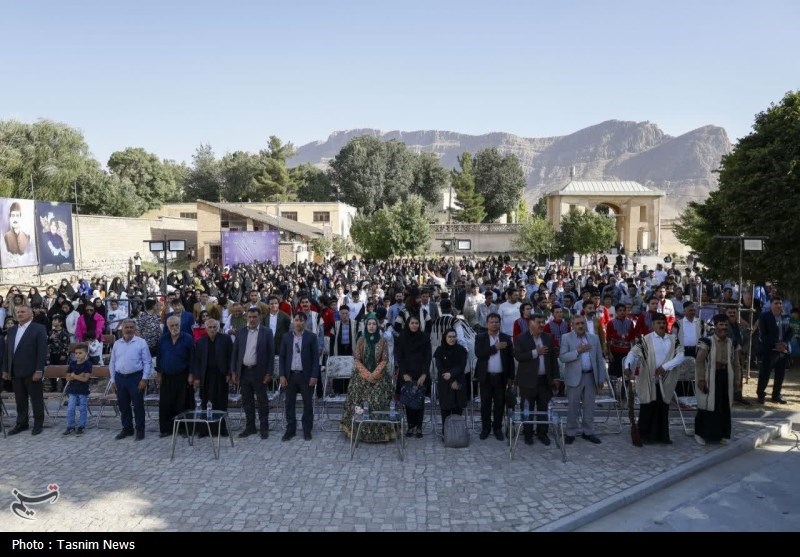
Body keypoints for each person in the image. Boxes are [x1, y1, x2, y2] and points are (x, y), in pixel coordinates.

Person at [625, 313, 684, 445]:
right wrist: (627, 367)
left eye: (663, 323)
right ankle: (645, 436)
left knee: (663, 406)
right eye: (658, 323)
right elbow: (633, 353)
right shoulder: (645, 340)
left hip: (666, 377)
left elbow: (680, 356)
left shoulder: (673, 340)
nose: (661, 325)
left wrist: (665, 367)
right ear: (653, 325)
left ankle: (662, 436)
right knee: (648, 405)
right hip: (649, 378)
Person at [340, 316, 395, 442]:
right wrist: (366, 374)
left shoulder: (382, 341)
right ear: (366, 326)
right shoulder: (361, 340)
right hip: (361, 377)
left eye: (373, 324)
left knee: (378, 400)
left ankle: (381, 433)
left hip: (379, 377)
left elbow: (384, 360)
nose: (371, 326)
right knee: (359, 401)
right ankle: (358, 431)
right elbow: (357, 359)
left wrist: (374, 374)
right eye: (369, 324)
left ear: (377, 326)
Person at [559, 313, 607, 445]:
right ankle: (570, 432)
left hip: (591, 376)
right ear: (572, 326)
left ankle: (588, 432)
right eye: (577, 324)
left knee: (589, 406)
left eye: (582, 323)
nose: (580, 326)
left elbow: (599, 360)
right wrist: (577, 351)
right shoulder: (566, 338)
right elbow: (562, 357)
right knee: (573, 406)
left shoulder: (594, 338)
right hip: (574, 377)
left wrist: (600, 378)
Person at [694, 314, 741, 446]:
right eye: (721, 325)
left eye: (726, 325)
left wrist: (737, 381)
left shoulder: (732, 343)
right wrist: (701, 379)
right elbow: (699, 362)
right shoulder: (707, 342)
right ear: (715, 326)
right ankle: (700, 434)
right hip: (711, 377)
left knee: (723, 405)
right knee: (707, 405)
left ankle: (722, 434)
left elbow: (737, 364)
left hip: (726, 376)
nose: (723, 328)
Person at [1, 305, 48, 435]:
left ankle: (38, 423)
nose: (19, 314)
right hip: (16, 371)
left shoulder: (38, 328)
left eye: (22, 312)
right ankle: (22, 423)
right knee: (20, 400)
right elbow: (8, 352)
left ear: (30, 313)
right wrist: (5, 369)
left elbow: (42, 351)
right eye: (17, 312)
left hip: (32, 370)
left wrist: (39, 370)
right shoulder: (12, 330)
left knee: (36, 399)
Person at [513, 313, 559, 445]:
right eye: (539, 322)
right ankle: (528, 434)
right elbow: (518, 356)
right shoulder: (521, 338)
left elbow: (552, 359)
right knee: (527, 409)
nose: (542, 325)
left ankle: (542, 433)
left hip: (545, 381)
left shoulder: (548, 338)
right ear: (531, 323)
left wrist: (556, 377)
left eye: (543, 322)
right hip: (527, 381)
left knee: (543, 408)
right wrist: (535, 353)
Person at [231, 308, 275, 439]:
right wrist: (234, 371)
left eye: (254, 317)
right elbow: (235, 353)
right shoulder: (241, 332)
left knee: (262, 401)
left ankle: (264, 427)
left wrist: (269, 373)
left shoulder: (267, 332)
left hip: (259, 372)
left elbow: (271, 355)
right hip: (244, 372)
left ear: (259, 317)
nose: (252, 319)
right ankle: (250, 427)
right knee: (247, 401)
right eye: (249, 317)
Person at [109, 319, 153, 440]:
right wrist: (113, 380)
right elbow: (112, 362)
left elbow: (147, 362)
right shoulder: (117, 344)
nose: (129, 329)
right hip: (120, 378)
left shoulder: (141, 343)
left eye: (131, 327)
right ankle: (127, 429)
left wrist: (144, 379)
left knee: (138, 405)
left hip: (136, 377)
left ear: (134, 329)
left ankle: (140, 429)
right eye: (126, 327)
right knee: (123, 405)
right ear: (122, 329)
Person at [279, 312, 320, 441]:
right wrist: (282, 375)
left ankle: (307, 429)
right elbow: (282, 357)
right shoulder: (286, 337)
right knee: (289, 403)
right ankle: (290, 429)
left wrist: (314, 375)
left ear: (305, 322)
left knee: (307, 404)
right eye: (296, 320)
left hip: (305, 376)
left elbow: (315, 359)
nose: (299, 323)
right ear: (293, 322)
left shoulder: (312, 337)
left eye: (301, 320)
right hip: (290, 375)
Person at [474, 313, 514, 441]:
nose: (494, 324)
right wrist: (494, 348)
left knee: (499, 404)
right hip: (486, 376)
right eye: (491, 322)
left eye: (496, 322)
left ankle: (497, 428)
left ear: (500, 323)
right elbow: (479, 354)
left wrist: (510, 378)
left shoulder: (506, 338)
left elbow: (510, 360)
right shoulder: (480, 337)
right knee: (485, 404)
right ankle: (486, 428)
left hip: (501, 377)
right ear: (487, 324)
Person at [157, 315, 196, 438]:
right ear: (167, 327)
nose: (174, 327)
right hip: (167, 376)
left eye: (176, 325)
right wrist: (159, 374)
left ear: (180, 325)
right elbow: (159, 357)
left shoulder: (188, 338)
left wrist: (191, 374)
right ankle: (167, 429)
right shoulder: (163, 340)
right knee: (166, 403)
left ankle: (184, 429)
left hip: (183, 376)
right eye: (172, 325)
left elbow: (192, 358)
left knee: (183, 403)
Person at [192, 318, 232, 437]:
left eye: (215, 327)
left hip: (221, 374)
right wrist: (197, 377)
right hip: (206, 375)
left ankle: (221, 429)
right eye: (210, 327)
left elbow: (231, 357)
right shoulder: (200, 342)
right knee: (205, 401)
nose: (212, 329)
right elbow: (197, 361)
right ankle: (205, 429)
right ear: (205, 329)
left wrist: (229, 373)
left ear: (218, 328)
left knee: (221, 401)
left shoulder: (225, 339)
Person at [394, 316, 431, 438]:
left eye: (417, 323)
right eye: (412, 323)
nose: (414, 325)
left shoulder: (425, 337)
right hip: (406, 374)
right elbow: (399, 356)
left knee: (419, 400)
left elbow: (428, 357)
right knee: (408, 400)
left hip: (421, 374)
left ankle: (419, 427)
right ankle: (411, 426)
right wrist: (404, 373)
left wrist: (424, 374)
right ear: (408, 324)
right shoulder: (402, 338)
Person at [756, 297, 793, 404]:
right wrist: (775, 344)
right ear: (771, 305)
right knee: (765, 373)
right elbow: (763, 334)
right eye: (776, 303)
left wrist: (784, 343)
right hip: (770, 350)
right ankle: (761, 395)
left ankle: (776, 395)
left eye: (780, 303)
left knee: (780, 374)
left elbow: (790, 332)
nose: (778, 305)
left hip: (783, 350)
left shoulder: (786, 317)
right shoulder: (764, 317)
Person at [433, 328, 468, 428]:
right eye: (450, 337)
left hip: (459, 382)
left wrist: (452, 376)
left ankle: (457, 433)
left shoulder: (461, 350)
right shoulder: (440, 350)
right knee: (446, 409)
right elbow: (440, 368)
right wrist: (451, 380)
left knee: (458, 408)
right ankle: (447, 433)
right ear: (445, 337)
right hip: (445, 383)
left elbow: (462, 366)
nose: (452, 339)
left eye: (454, 337)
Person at [63, 343, 92, 436]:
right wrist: (78, 376)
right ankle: (70, 425)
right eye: (76, 353)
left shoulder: (87, 364)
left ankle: (81, 426)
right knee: (70, 409)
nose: (77, 355)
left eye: (80, 353)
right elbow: (67, 378)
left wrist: (74, 375)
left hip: (83, 390)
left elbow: (85, 379)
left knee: (82, 408)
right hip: (72, 390)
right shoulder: (72, 364)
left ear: (86, 354)